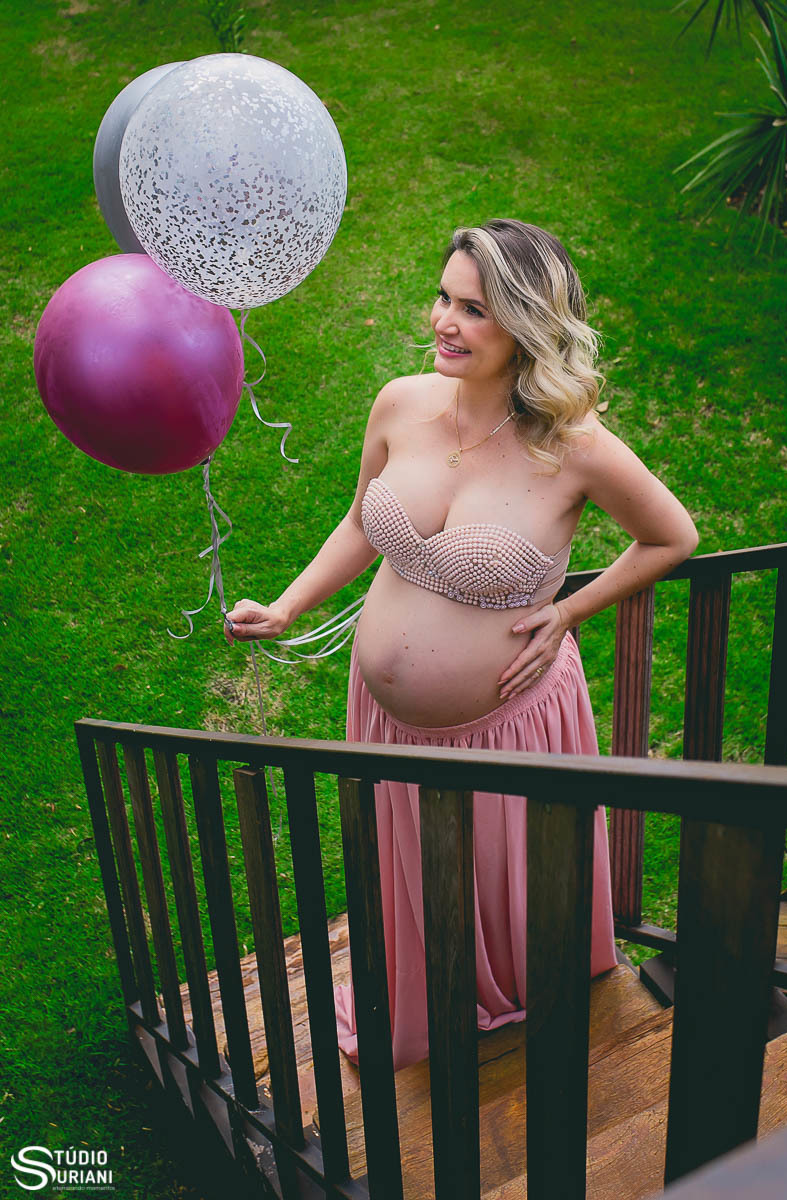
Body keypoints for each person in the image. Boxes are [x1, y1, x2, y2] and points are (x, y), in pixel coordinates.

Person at [224, 219, 698, 1070]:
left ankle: (519, 994)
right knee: (418, 885)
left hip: (505, 730)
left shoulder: (574, 448)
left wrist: (568, 612)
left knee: (501, 888)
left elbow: (672, 537)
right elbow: (360, 519)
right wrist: (290, 606)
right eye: (443, 296)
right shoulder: (401, 402)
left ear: (524, 327)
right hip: (387, 721)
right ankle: (428, 991)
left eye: (473, 309)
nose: (444, 320)